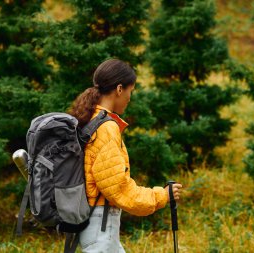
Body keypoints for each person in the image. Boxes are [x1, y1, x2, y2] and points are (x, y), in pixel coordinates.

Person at [68, 58, 183, 253]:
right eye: (131, 91)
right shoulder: (105, 128)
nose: (130, 98)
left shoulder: (90, 120)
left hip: (96, 225)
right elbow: (119, 189)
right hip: (100, 227)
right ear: (119, 89)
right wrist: (162, 195)